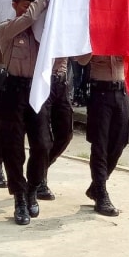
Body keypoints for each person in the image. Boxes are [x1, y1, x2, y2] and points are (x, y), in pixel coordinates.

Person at [0, 0, 52, 225]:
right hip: (12, 89)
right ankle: (19, 197)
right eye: (24, 4)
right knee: (14, 147)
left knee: (42, 144)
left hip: (35, 89)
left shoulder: (43, 32)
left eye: (32, 3)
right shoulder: (7, 27)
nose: (29, 8)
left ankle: (32, 188)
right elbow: (28, 18)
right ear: (14, 5)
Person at [75, 51, 129, 218]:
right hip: (100, 92)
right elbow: (81, 60)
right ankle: (101, 193)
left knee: (121, 141)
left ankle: (96, 186)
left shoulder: (123, 31)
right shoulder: (93, 32)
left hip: (121, 91)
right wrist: (94, 45)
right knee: (100, 144)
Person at [37, 57, 74, 200]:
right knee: (43, 137)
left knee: (66, 133)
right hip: (41, 80)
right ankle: (40, 179)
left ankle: (40, 169)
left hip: (61, 81)